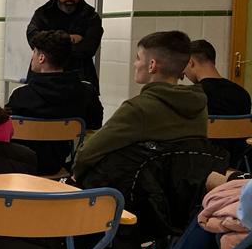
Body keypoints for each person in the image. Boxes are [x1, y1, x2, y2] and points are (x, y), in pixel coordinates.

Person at [73, 31, 207, 183]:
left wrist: (74, 176)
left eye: (138, 58)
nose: (135, 64)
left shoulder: (138, 109)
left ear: (152, 65)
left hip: (137, 190)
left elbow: (88, 154)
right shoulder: (200, 107)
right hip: (186, 189)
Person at [6, 29, 104, 174]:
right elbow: (95, 125)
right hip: (63, 168)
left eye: (34, 52)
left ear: (41, 58)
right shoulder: (86, 92)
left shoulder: (20, 96)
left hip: (23, 169)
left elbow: (7, 131)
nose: (32, 57)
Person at [27, 0, 103, 92]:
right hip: (43, 81)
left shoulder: (91, 16)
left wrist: (50, 46)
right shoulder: (43, 13)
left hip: (80, 81)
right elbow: (32, 37)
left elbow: (88, 49)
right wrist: (68, 38)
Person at [186, 38, 252, 167]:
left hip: (202, 162)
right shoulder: (242, 93)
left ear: (190, 62)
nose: (184, 73)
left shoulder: (194, 94)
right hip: (238, 162)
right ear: (213, 61)